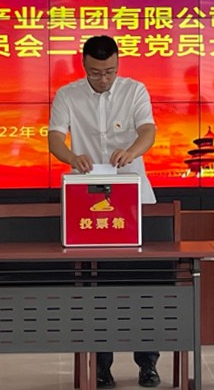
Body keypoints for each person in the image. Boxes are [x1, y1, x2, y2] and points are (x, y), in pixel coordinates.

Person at [48, 35, 160, 389]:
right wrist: (71, 157)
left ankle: (148, 363)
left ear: (118, 64)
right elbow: (54, 138)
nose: (103, 79)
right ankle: (101, 366)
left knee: (144, 286)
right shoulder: (68, 95)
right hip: (87, 201)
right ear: (83, 65)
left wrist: (132, 151)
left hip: (133, 197)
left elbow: (148, 130)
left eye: (110, 71)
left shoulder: (134, 90)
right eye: (96, 72)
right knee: (96, 286)